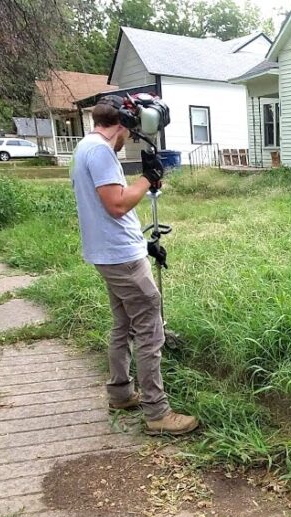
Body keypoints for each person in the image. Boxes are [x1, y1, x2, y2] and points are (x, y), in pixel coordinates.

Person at [70, 100, 198, 436]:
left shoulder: (85, 146)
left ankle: (121, 393)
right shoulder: (100, 152)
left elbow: (111, 203)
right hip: (120, 256)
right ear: (124, 123)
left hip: (110, 252)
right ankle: (157, 413)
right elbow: (116, 204)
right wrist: (148, 180)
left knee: (123, 323)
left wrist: (143, 244)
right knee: (149, 328)